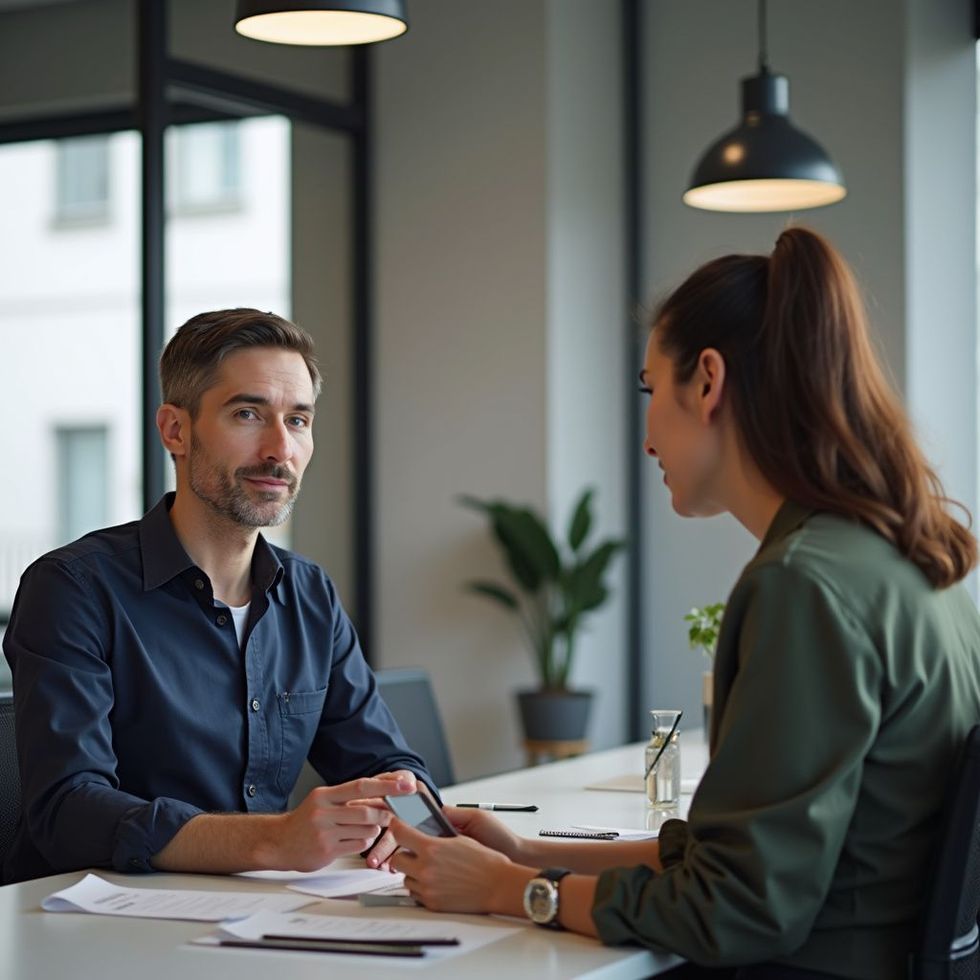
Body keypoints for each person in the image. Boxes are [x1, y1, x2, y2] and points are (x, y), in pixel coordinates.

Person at [387, 228, 980, 979]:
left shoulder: (803, 584)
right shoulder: (910, 565)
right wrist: (527, 852)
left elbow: (735, 911)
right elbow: (743, 859)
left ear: (707, 381)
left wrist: (516, 892)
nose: (645, 437)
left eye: (649, 389)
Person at [3, 308, 432, 884]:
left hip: (258, 913)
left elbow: (387, 764)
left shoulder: (310, 595)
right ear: (175, 431)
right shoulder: (73, 589)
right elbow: (69, 809)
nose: (280, 448)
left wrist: (415, 822)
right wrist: (272, 840)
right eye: (248, 413)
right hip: (94, 926)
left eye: (299, 420)